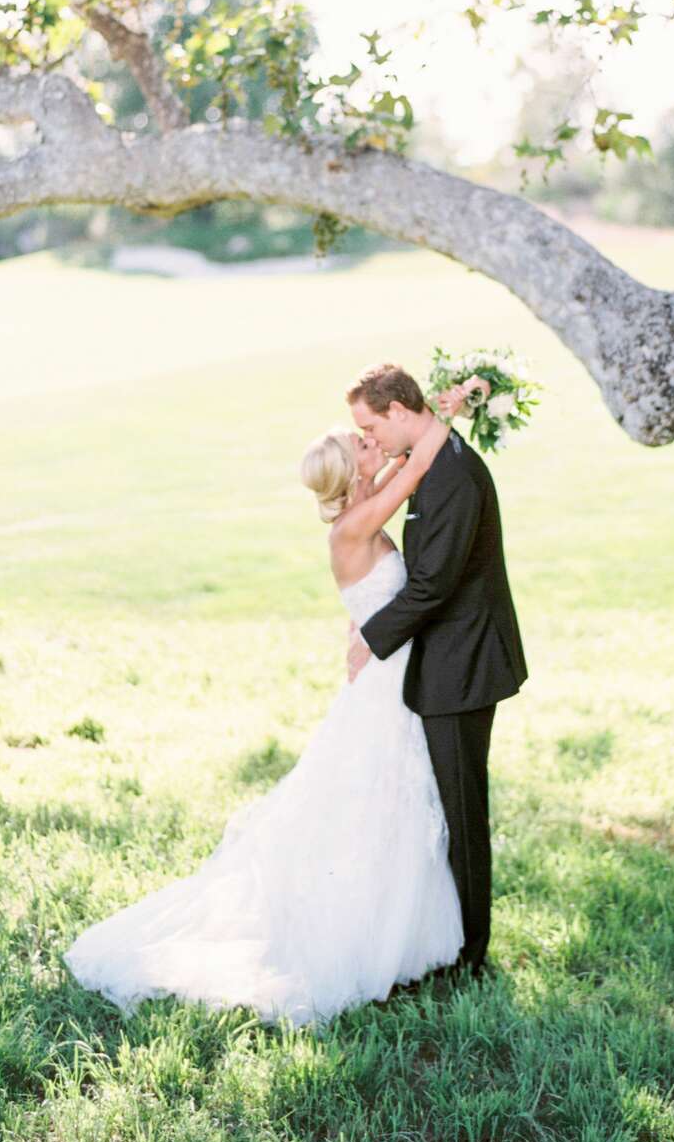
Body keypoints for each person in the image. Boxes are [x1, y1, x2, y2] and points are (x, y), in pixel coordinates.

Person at [61, 417, 462, 1026]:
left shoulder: (359, 506)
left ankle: (396, 934)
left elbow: (382, 496)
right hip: (383, 684)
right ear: (352, 471)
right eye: (361, 444)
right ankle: (363, 936)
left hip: (389, 673)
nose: (369, 443)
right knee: (377, 800)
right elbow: (417, 466)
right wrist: (449, 409)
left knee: (388, 801)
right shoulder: (355, 524)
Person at [345, 362, 527, 977]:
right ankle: (450, 939)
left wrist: (369, 639)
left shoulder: (450, 475)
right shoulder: (435, 457)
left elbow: (433, 584)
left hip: (464, 664)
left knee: (463, 813)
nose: (372, 440)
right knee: (448, 810)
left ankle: (472, 958)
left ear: (398, 409)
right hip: (449, 660)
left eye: (371, 425)